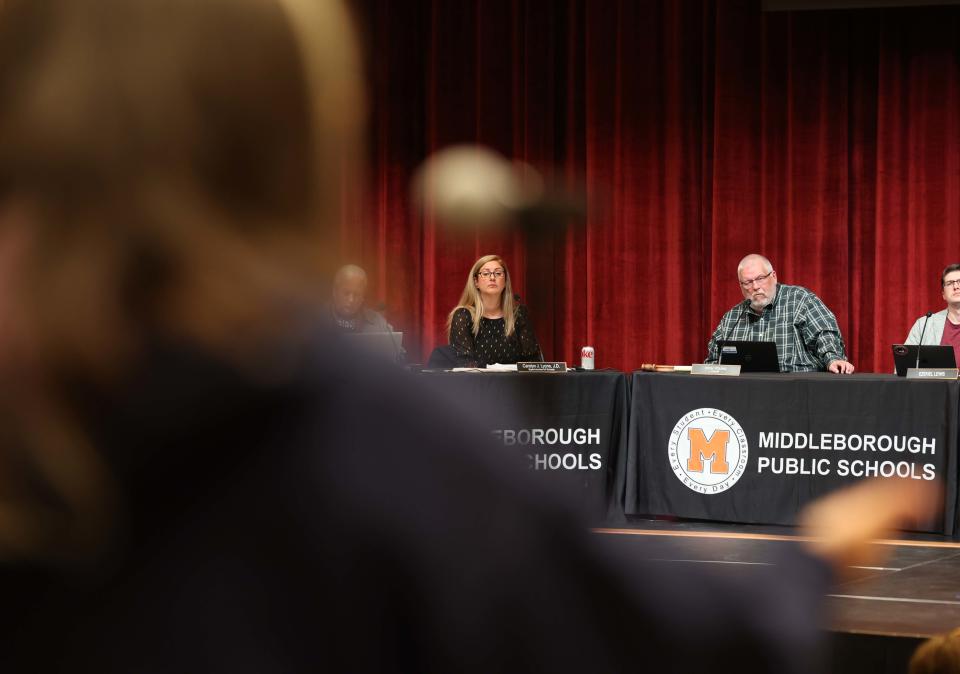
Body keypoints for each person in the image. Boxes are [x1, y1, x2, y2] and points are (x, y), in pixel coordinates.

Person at [0, 1, 938, 672]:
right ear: (296, 139)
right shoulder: (349, 425)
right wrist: (813, 559)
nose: (754, 289)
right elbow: (672, 643)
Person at [706, 253, 855, 373]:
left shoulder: (800, 300)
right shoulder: (732, 318)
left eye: (760, 278)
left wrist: (833, 358)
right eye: (748, 282)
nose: (755, 286)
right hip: (745, 396)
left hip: (798, 391)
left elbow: (824, 334)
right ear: (740, 285)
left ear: (774, 276)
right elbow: (713, 360)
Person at [446, 254, 542, 367]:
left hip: (514, 383)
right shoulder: (463, 315)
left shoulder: (519, 314)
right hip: (476, 383)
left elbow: (533, 362)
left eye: (498, 273)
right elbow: (464, 365)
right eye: (486, 274)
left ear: (505, 281)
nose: (492, 278)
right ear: (476, 282)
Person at [904, 263, 960, 364]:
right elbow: (904, 367)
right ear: (943, 294)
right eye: (950, 283)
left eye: (959, 281)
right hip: (933, 381)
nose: (956, 286)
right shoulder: (924, 324)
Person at [330, 264, 394, 333]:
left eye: (357, 294)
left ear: (363, 297)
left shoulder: (378, 323)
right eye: (346, 293)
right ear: (335, 292)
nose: (351, 300)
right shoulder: (317, 319)